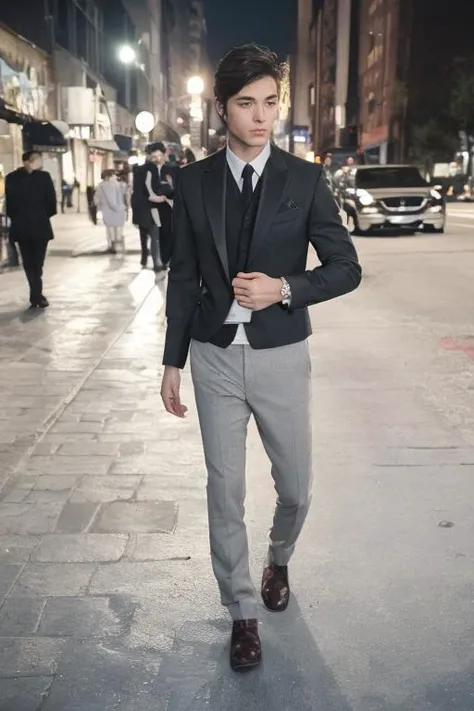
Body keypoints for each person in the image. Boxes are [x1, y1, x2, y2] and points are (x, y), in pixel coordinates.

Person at [160, 44, 362, 671]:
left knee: (296, 486)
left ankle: (279, 557)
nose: (261, 117)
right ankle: (241, 611)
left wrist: (286, 289)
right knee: (225, 490)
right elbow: (183, 273)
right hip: (213, 355)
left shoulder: (304, 180)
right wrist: (171, 361)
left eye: (270, 103)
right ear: (222, 108)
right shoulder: (193, 181)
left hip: (280, 352)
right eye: (246, 104)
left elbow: (346, 268)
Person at [5, 151, 57, 308]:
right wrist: (41, 215)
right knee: (37, 263)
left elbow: (10, 206)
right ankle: (36, 295)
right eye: (38, 159)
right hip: (40, 226)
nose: (40, 162)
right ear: (28, 161)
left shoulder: (11, 178)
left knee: (29, 263)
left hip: (21, 227)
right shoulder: (44, 178)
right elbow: (51, 204)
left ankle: (35, 294)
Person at [131, 142, 174, 272]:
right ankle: (158, 263)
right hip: (150, 208)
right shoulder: (152, 169)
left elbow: (137, 190)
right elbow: (152, 190)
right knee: (156, 236)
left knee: (144, 236)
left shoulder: (138, 169)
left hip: (139, 208)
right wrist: (164, 197)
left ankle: (144, 259)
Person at [94, 169, 126, 253]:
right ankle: (118, 245)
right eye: (114, 175)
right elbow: (122, 195)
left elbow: (96, 199)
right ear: (109, 177)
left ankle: (112, 246)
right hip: (117, 210)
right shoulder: (117, 185)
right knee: (118, 228)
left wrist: (98, 205)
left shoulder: (101, 186)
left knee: (110, 228)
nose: (116, 176)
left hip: (107, 211)